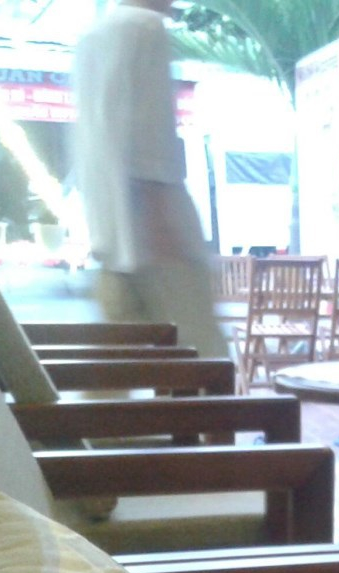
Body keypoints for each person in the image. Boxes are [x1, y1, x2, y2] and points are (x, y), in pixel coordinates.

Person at [73, 0, 229, 361]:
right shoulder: (145, 28)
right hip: (159, 236)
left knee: (111, 376)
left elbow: (98, 141)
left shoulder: (92, 36)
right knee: (204, 366)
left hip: (112, 239)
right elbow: (148, 139)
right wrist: (165, 228)